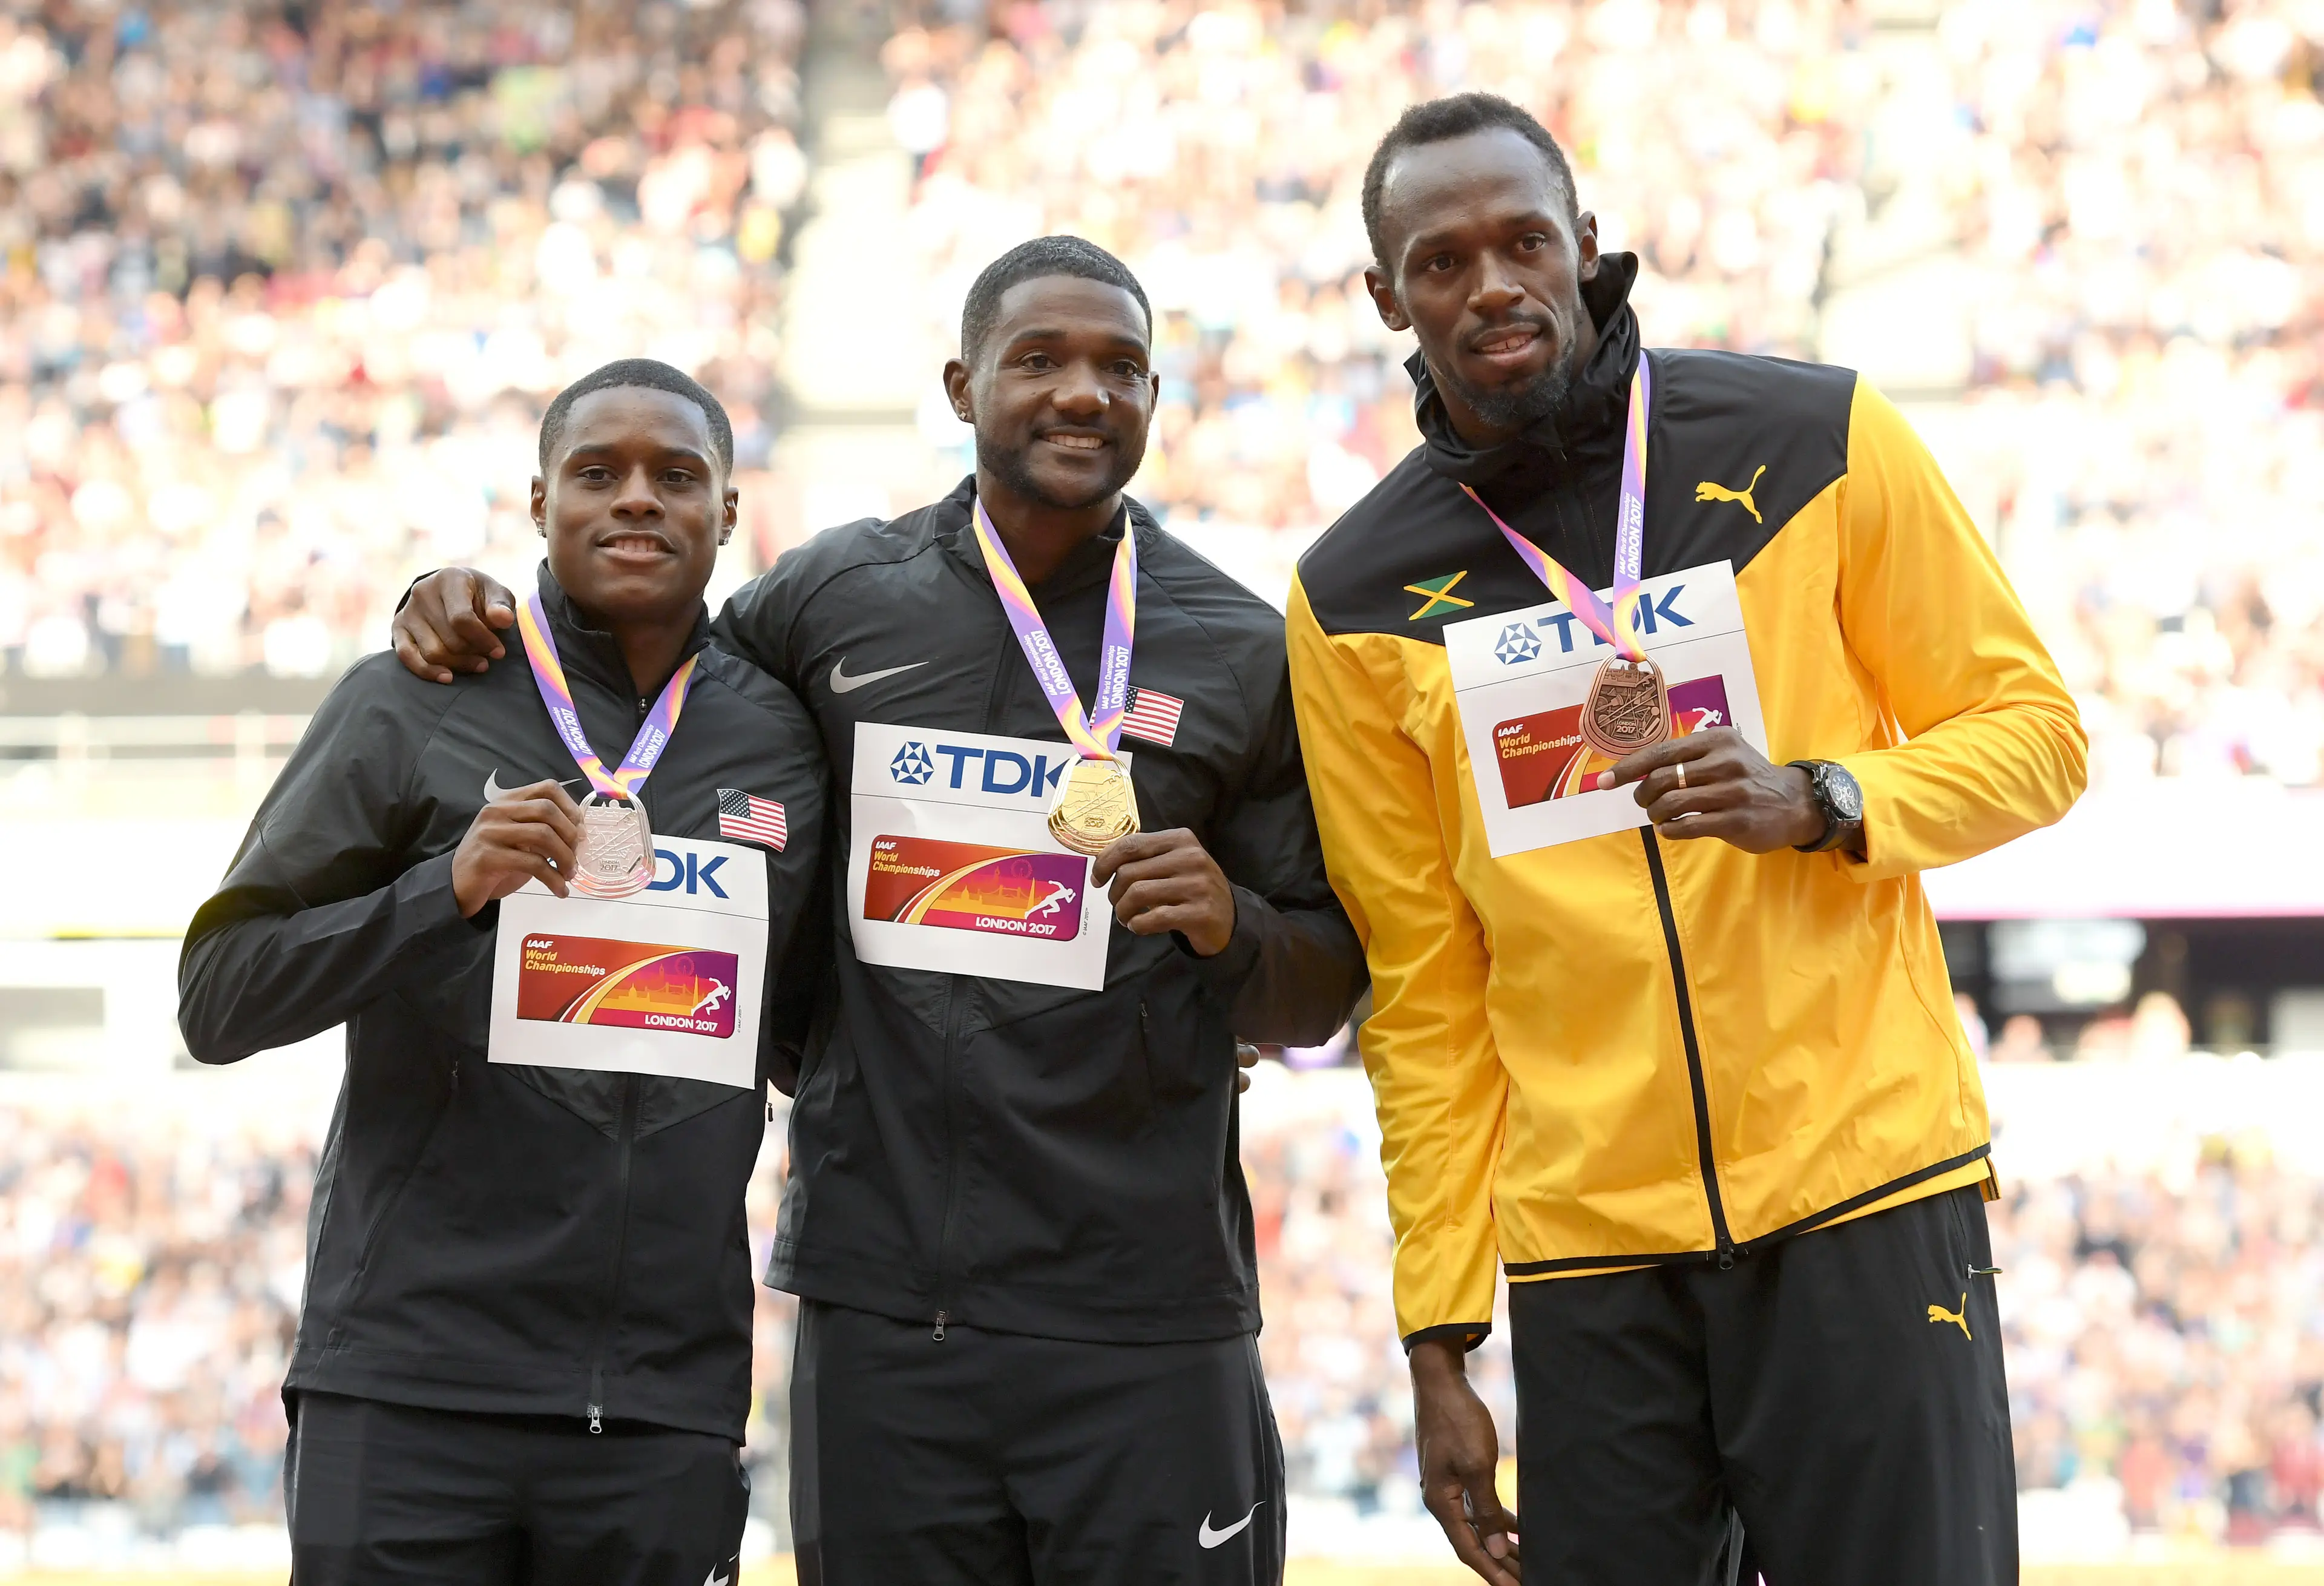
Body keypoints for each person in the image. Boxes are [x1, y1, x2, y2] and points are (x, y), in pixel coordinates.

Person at [390, 237, 1368, 1586]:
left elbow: (1324, 983)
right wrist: (456, 603)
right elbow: (643, 690)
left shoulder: (1241, 644)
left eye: (1120, 368)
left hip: (1147, 1314)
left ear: (1156, 402)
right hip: (884, 1312)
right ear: (963, 387)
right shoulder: (827, 598)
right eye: (1041, 360)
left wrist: (1231, 925)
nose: (1083, 392)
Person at [1284, 94, 2089, 1586]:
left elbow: (2036, 735)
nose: (1492, 286)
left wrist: (1827, 800)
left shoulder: (1819, 437)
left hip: (1865, 1191)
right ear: (1386, 295)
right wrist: (1439, 1329)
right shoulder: (1351, 595)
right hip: (1592, 1255)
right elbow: (1424, 986)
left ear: (1588, 246)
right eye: (1442, 261)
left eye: (1525, 241)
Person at [177, 360, 829, 1584]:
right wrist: (447, 890)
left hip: (661, 1406)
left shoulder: (782, 738)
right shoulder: (413, 699)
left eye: (676, 476)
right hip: (412, 1389)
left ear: (728, 515)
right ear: (538, 505)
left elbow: (820, 1017)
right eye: (598, 473)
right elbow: (219, 994)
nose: (637, 499)